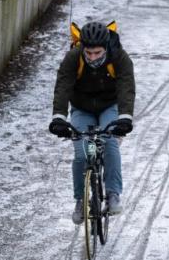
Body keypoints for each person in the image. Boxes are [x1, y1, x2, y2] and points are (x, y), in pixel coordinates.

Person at [49, 21, 135, 223]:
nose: (92, 57)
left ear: (105, 47)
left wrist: (125, 118)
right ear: (83, 48)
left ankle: (113, 194)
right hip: (82, 107)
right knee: (81, 153)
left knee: (109, 142)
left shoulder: (119, 57)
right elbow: (63, 86)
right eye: (89, 53)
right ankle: (80, 200)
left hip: (109, 106)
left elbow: (126, 87)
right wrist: (59, 117)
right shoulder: (74, 57)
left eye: (97, 53)